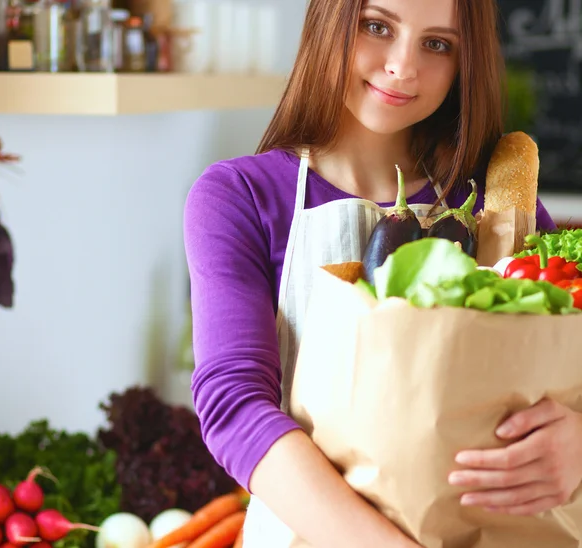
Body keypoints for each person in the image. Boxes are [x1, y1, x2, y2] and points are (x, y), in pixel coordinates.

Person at [184, 0, 582, 546]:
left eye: (438, 44)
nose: (403, 66)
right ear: (330, 21)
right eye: (377, 27)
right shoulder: (240, 196)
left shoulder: (499, 201)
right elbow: (234, 406)